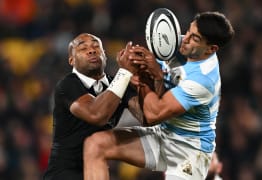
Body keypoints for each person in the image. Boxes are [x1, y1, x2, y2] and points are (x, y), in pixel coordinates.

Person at [83, 11, 234, 180]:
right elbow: (156, 78)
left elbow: (153, 114)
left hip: (190, 151)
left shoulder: (203, 80)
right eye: (189, 31)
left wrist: (143, 79)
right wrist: (136, 61)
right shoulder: (179, 44)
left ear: (211, 49)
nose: (185, 38)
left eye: (195, 38)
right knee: (95, 145)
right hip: (163, 135)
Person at [43, 33, 142, 180]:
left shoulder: (119, 82)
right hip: (63, 174)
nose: (91, 50)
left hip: (97, 170)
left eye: (96, 46)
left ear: (104, 54)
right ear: (72, 60)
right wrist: (125, 73)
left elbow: (147, 116)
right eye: (83, 48)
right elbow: (97, 115)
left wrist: (148, 82)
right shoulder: (67, 85)